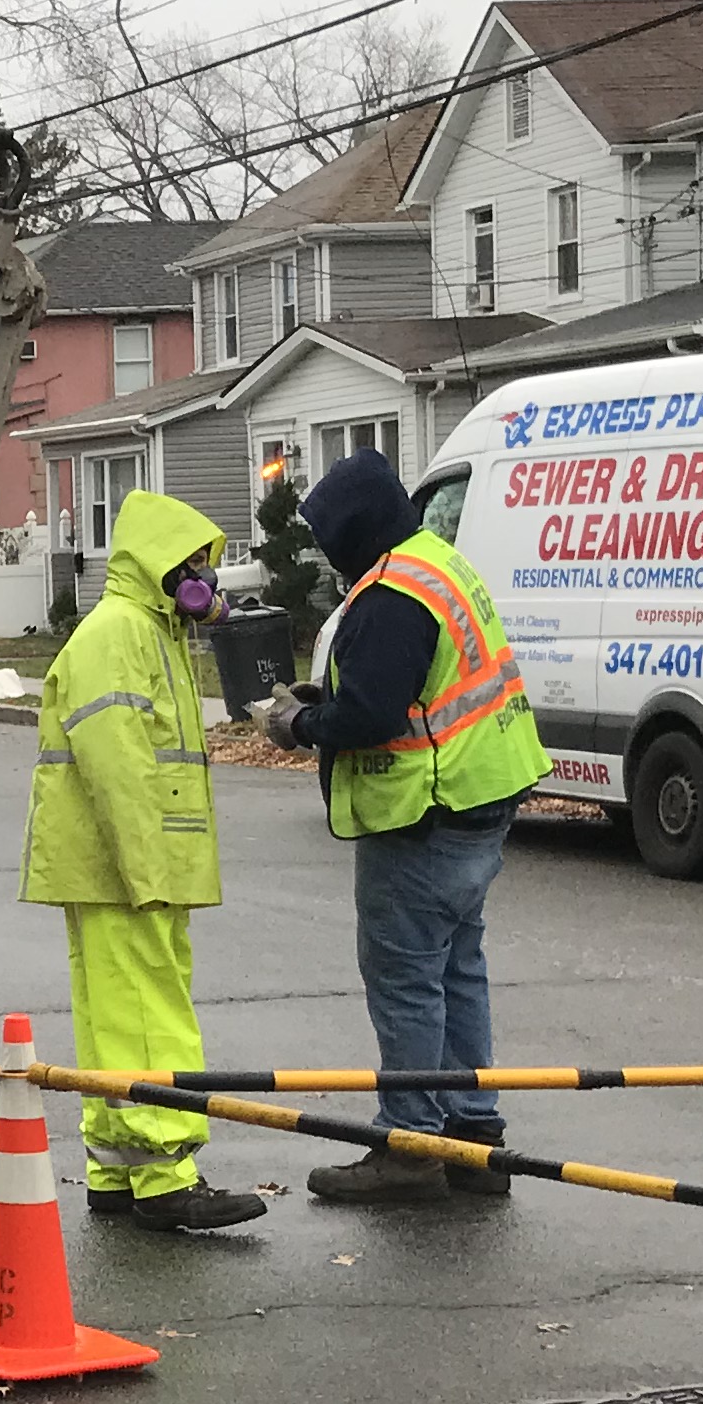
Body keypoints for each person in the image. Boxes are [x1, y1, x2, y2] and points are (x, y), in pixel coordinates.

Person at [262, 451, 548, 1205]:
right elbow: (413, 682)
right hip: (482, 796)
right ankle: (472, 1135)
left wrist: (299, 722)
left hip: (428, 809)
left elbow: (373, 714)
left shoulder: (391, 595)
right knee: (457, 969)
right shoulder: (437, 564)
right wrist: (330, 693)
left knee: (407, 978)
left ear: (351, 535)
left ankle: (410, 1143)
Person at [22, 490, 266, 1232]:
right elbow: (117, 765)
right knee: (151, 1015)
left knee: (114, 1019)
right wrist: (147, 872)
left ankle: (118, 1170)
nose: (204, 580)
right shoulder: (123, 634)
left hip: (120, 865)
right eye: (193, 563)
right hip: (130, 868)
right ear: (157, 564)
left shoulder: (145, 632)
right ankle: (165, 1174)